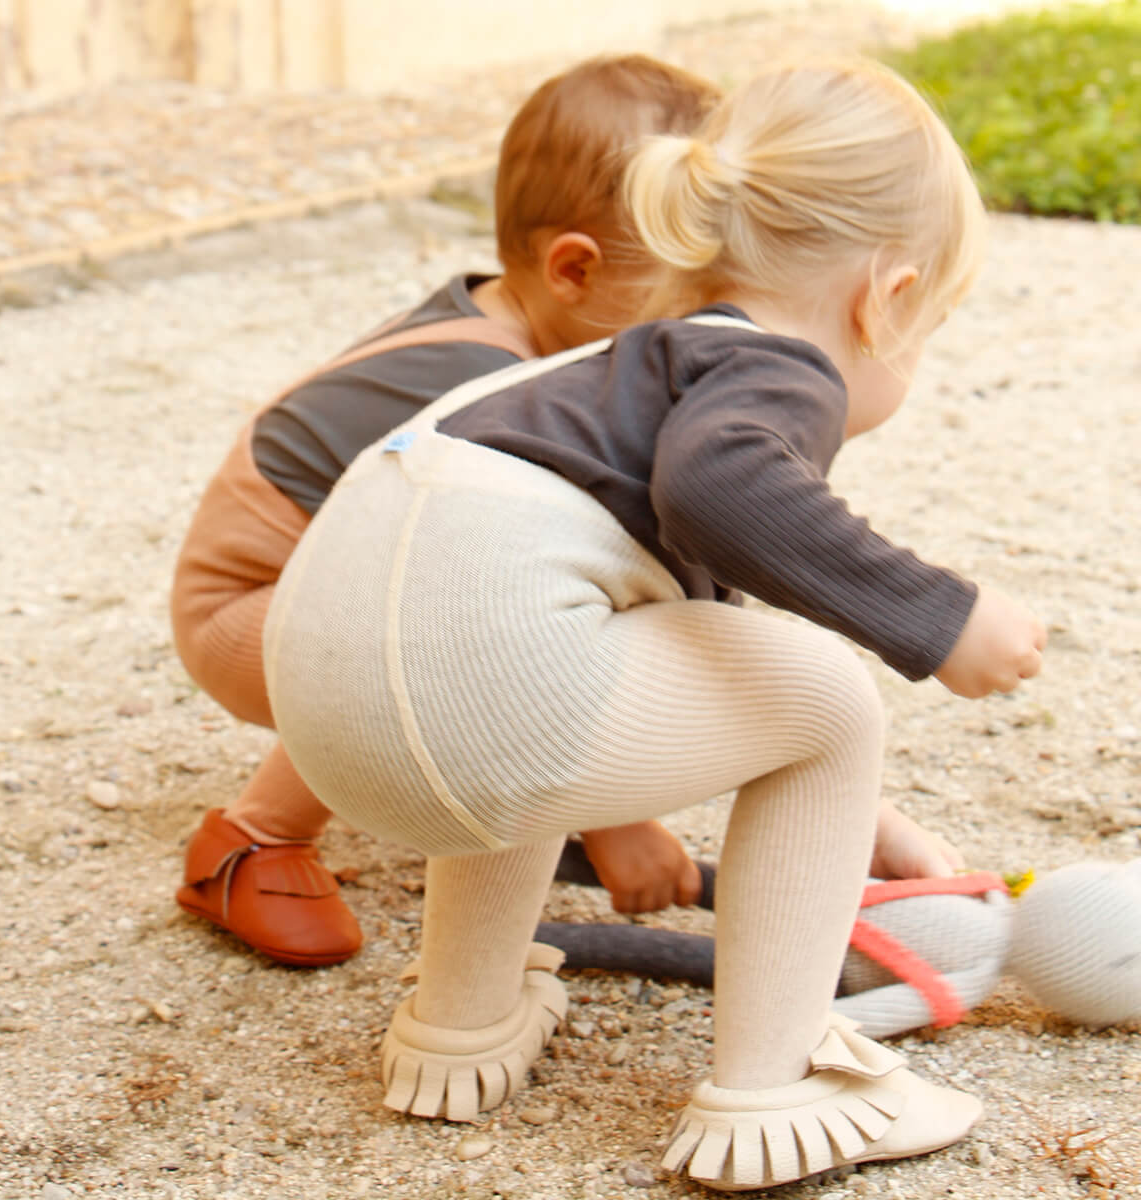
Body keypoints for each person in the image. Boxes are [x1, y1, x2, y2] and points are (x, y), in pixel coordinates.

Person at [262, 57, 1047, 1190]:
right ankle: (776, 1088)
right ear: (885, 299)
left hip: (336, 725)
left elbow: (700, 624)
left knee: (539, 669)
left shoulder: (619, 375)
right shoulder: (778, 370)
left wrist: (856, 817)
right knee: (833, 699)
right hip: (476, 710)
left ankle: (462, 1025)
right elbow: (725, 494)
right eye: (926, 331)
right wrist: (943, 616)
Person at [169, 54, 724, 967]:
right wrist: (619, 816)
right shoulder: (491, 388)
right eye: (679, 314)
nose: (694, 341)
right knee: (455, 626)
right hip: (248, 611)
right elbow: (492, 592)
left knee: (493, 600)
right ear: (575, 270)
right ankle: (250, 839)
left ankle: (492, 784)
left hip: (318, 586)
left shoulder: (531, 333)